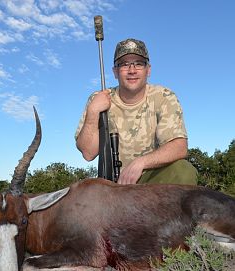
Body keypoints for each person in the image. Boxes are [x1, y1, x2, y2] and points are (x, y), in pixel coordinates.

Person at [75, 38, 197, 185]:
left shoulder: (164, 96)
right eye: (125, 64)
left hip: (151, 181)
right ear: (115, 72)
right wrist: (93, 111)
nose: (132, 70)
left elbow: (179, 147)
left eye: (139, 64)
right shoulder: (98, 99)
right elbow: (88, 153)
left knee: (183, 170)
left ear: (148, 70)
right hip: (115, 185)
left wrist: (141, 163)